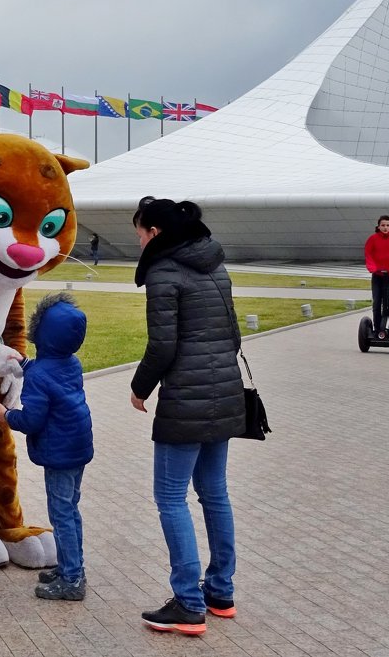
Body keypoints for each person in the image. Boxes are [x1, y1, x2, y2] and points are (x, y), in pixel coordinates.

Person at [129, 196, 246, 635]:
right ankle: (221, 591)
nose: (138, 241)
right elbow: (232, 334)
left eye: (139, 233)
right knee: (214, 493)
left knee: (170, 497)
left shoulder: (163, 270)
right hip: (225, 394)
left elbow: (163, 345)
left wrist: (140, 387)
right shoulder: (215, 264)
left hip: (186, 400)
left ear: (154, 233)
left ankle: (188, 602)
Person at [0, 292, 93, 601]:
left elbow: (33, 419)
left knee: (61, 514)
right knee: (70, 510)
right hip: (78, 446)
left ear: (41, 334)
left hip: (59, 453)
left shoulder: (42, 377)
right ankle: (71, 566)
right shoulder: (69, 362)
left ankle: (72, 579)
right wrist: (24, 362)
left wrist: (7, 415)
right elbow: (47, 372)